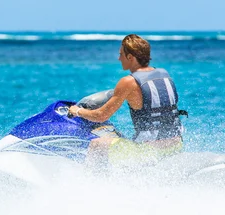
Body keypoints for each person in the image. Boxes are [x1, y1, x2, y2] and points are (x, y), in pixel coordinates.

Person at [68, 34, 184, 166]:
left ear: (130, 57)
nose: (119, 58)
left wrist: (77, 111)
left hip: (149, 150)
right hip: (175, 144)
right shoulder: (164, 75)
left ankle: (95, 183)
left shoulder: (128, 82)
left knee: (97, 145)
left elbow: (101, 116)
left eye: (121, 54)